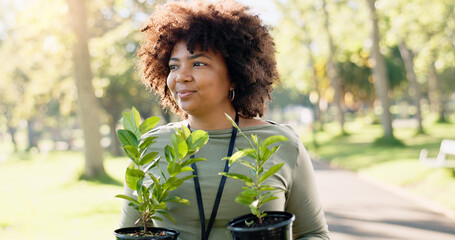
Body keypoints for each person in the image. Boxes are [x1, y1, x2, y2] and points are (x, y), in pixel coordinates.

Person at [119, 0, 330, 239]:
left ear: (235, 75)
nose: (181, 77)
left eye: (198, 63)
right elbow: (129, 233)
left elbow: (314, 233)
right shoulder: (147, 148)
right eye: (173, 66)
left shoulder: (282, 144)